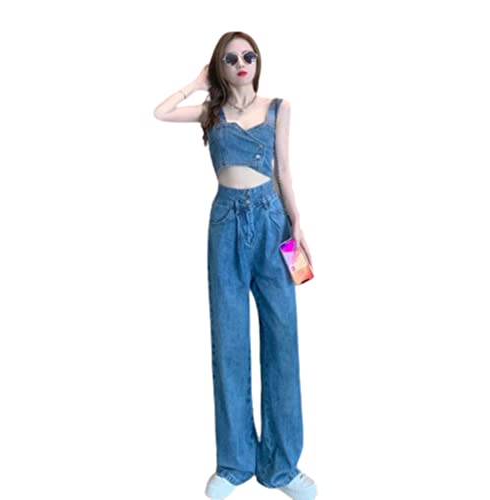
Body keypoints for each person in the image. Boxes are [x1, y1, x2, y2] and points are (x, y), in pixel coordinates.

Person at [154, 31, 317, 500]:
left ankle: (282, 467)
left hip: (271, 220)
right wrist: (195, 83)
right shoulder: (211, 112)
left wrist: (297, 224)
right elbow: (160, 112)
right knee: (229, 341)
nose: (241, 62)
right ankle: (234, 462)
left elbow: (284, 171)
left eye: (248, 55)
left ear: (257, 62)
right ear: (219, 67)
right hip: (225, 223)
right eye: (230, 58)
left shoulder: (279, 108)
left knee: (281, 340)